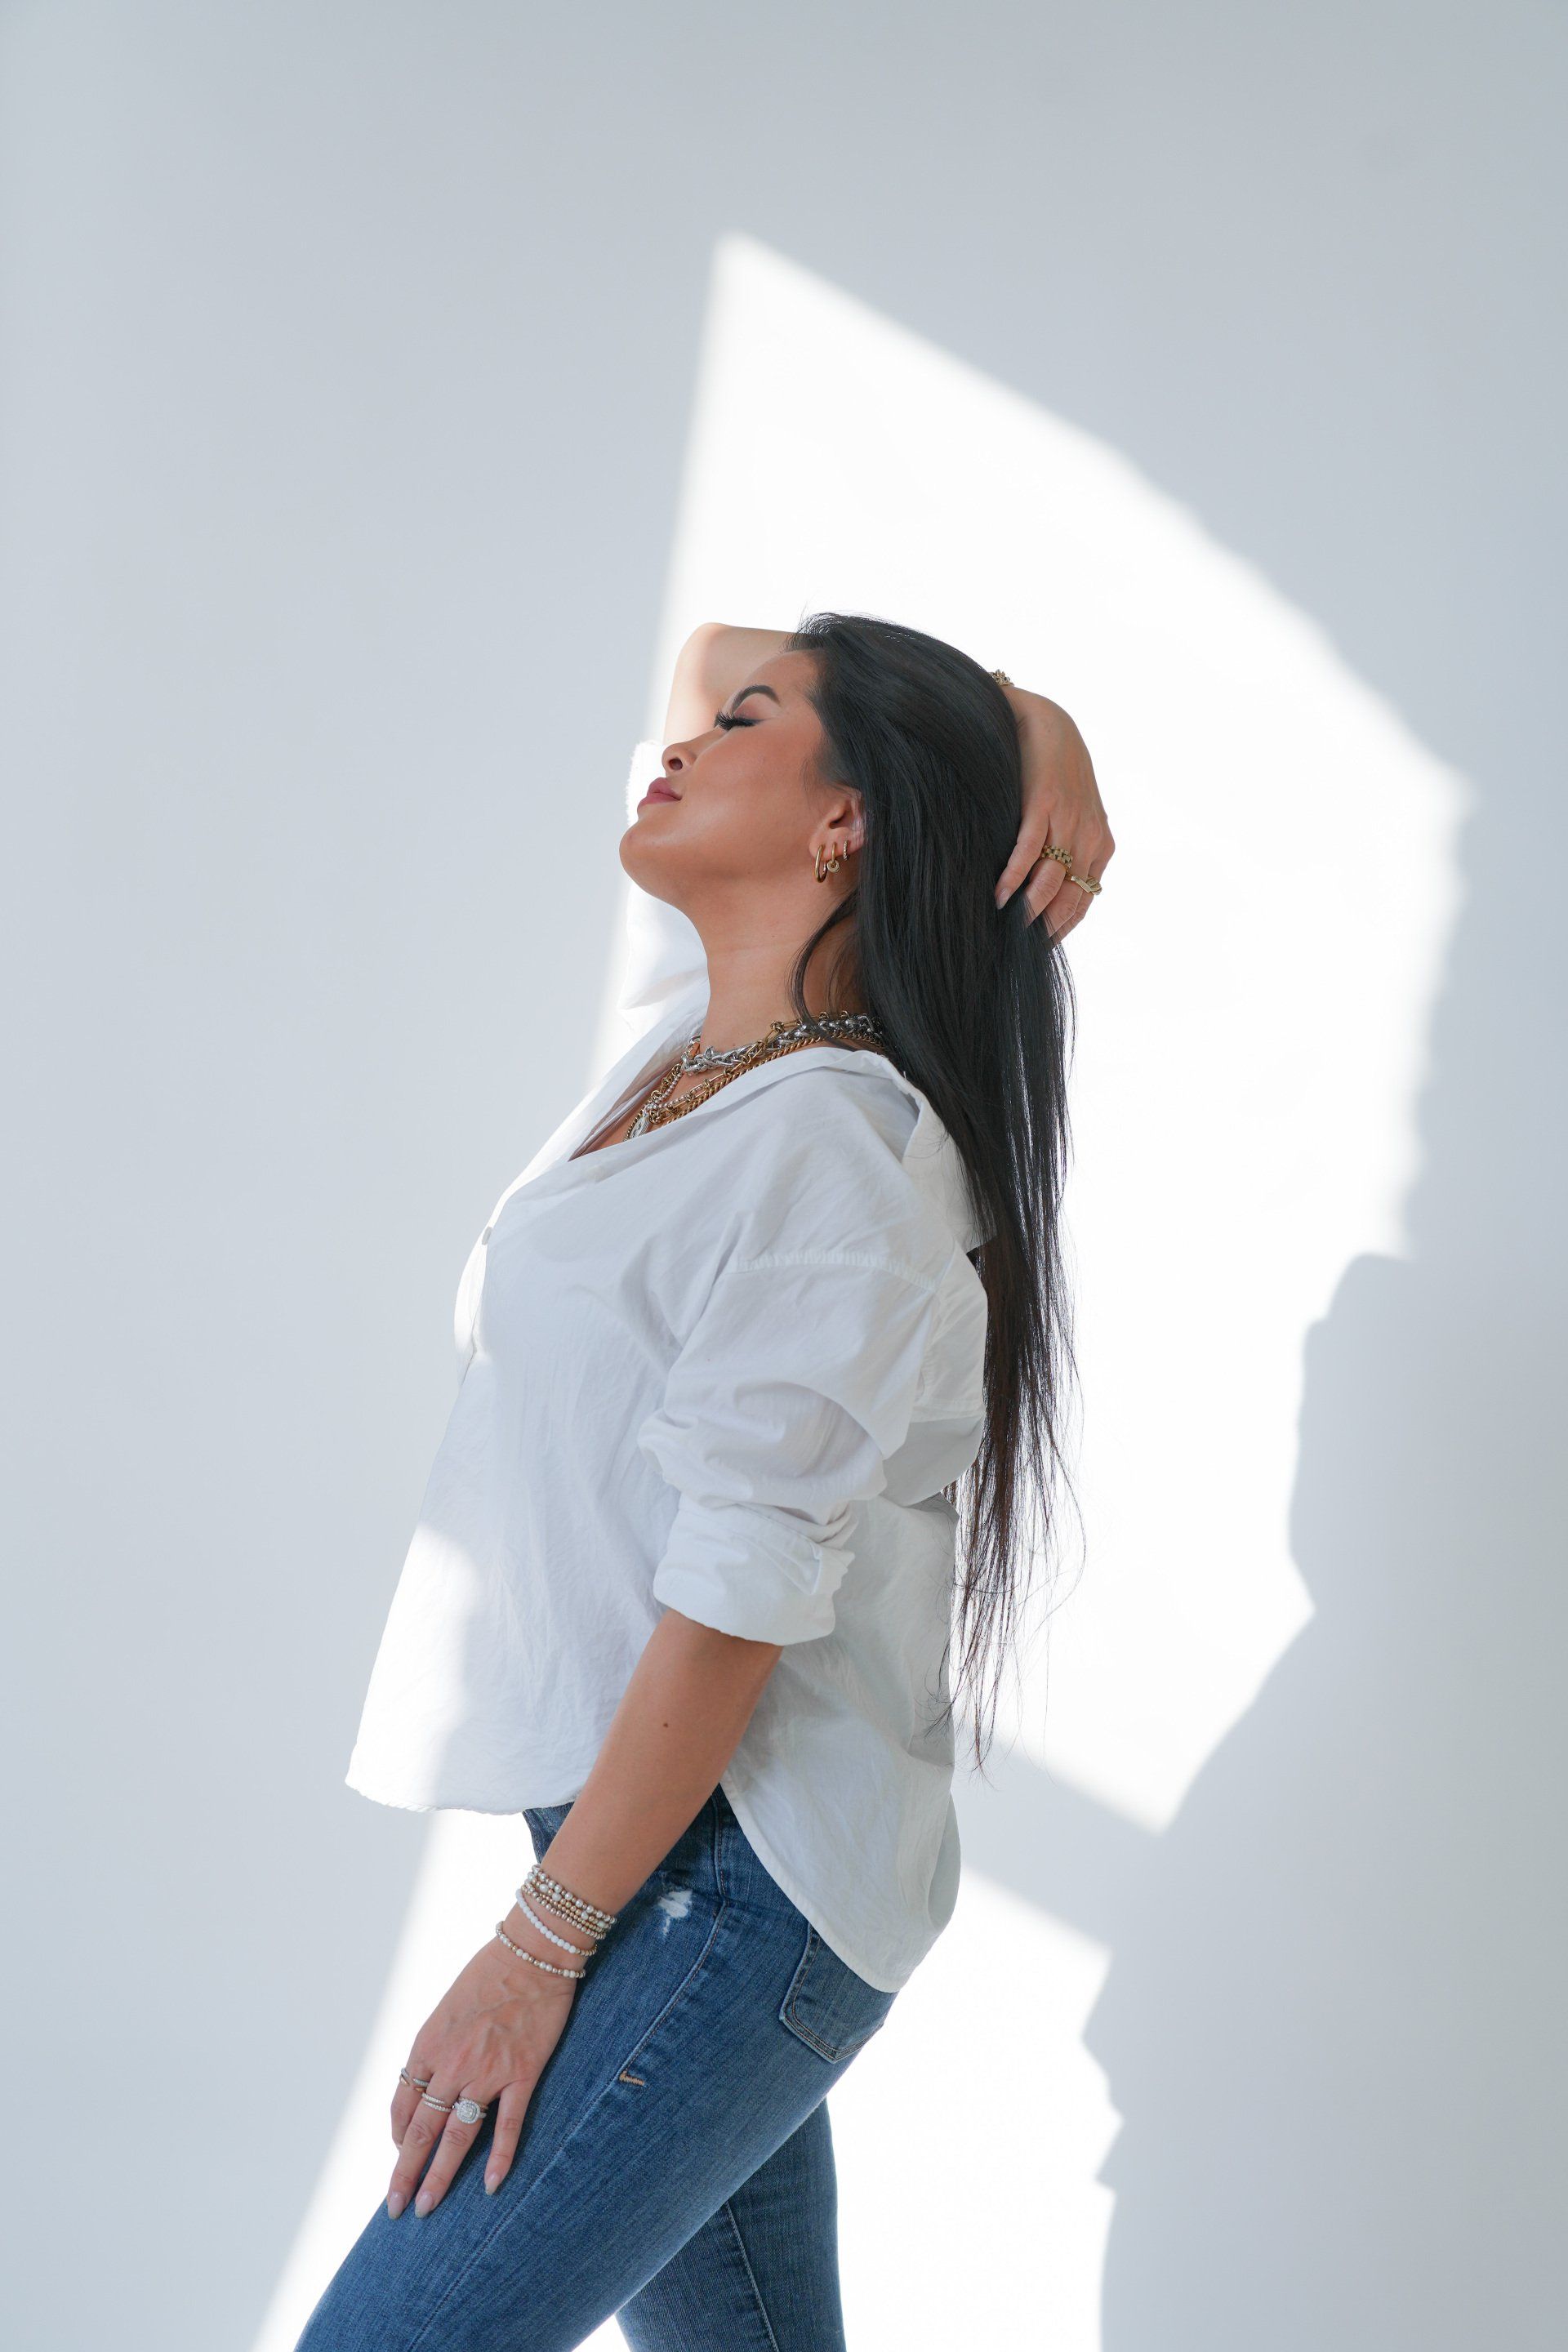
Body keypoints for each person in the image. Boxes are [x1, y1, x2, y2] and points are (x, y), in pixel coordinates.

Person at [295, 612, 1112, 2350]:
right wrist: (1026, 719)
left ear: (845, 825)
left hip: (733, 1888)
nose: (680, 741)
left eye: (746, 729)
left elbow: (734, 1604)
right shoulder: (695, 1047)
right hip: (649, 1849)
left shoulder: (837, 1150)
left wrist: (535, 1953)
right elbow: (722, 646)